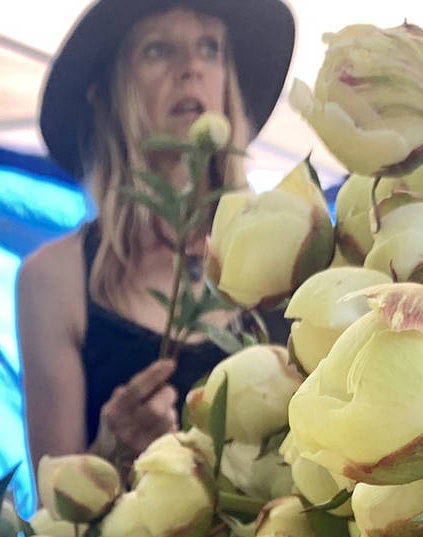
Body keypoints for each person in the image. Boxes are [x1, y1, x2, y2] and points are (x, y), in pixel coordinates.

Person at [17, 0, 295, 474]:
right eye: (158, 50)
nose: (191, 69)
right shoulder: (52, 280)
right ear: (105, 92)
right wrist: (112, 452)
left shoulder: (288, 249)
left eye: (210, 48)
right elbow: (54, 515)